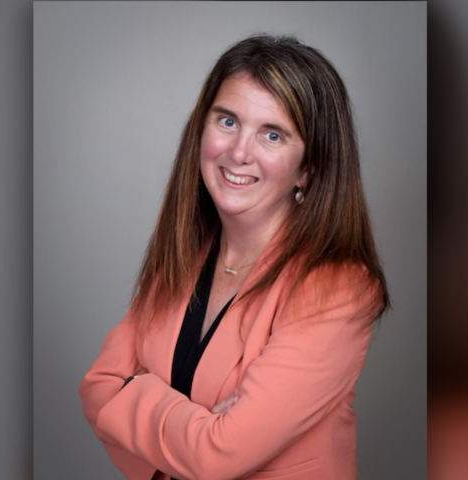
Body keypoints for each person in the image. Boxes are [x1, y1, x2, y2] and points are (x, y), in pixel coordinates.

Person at [79, 34, 390, 480]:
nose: (239, 152)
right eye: (227, 122)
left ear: (309, 168)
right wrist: (203, 425)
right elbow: (95, 387)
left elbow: (217, 456)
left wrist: (133, 393)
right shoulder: (184, 252)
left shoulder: (337, 287)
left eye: (272, 134)